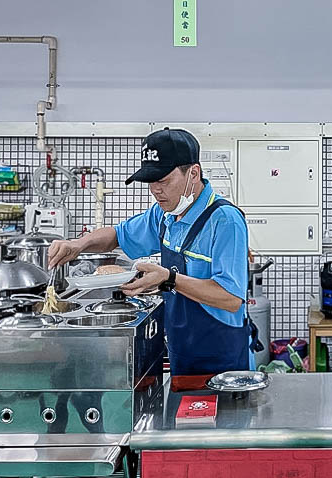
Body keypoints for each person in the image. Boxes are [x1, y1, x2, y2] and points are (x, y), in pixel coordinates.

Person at [47, 128, 256, 376]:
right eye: (150, 182)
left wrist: (169, 278)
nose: (156, 190)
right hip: (183, 352)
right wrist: (77, 244)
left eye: (163, 180)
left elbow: (231, 299)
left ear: (193, 173)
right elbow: (117, 235)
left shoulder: (224, 221)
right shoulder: (165, 214)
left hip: (224, 360)